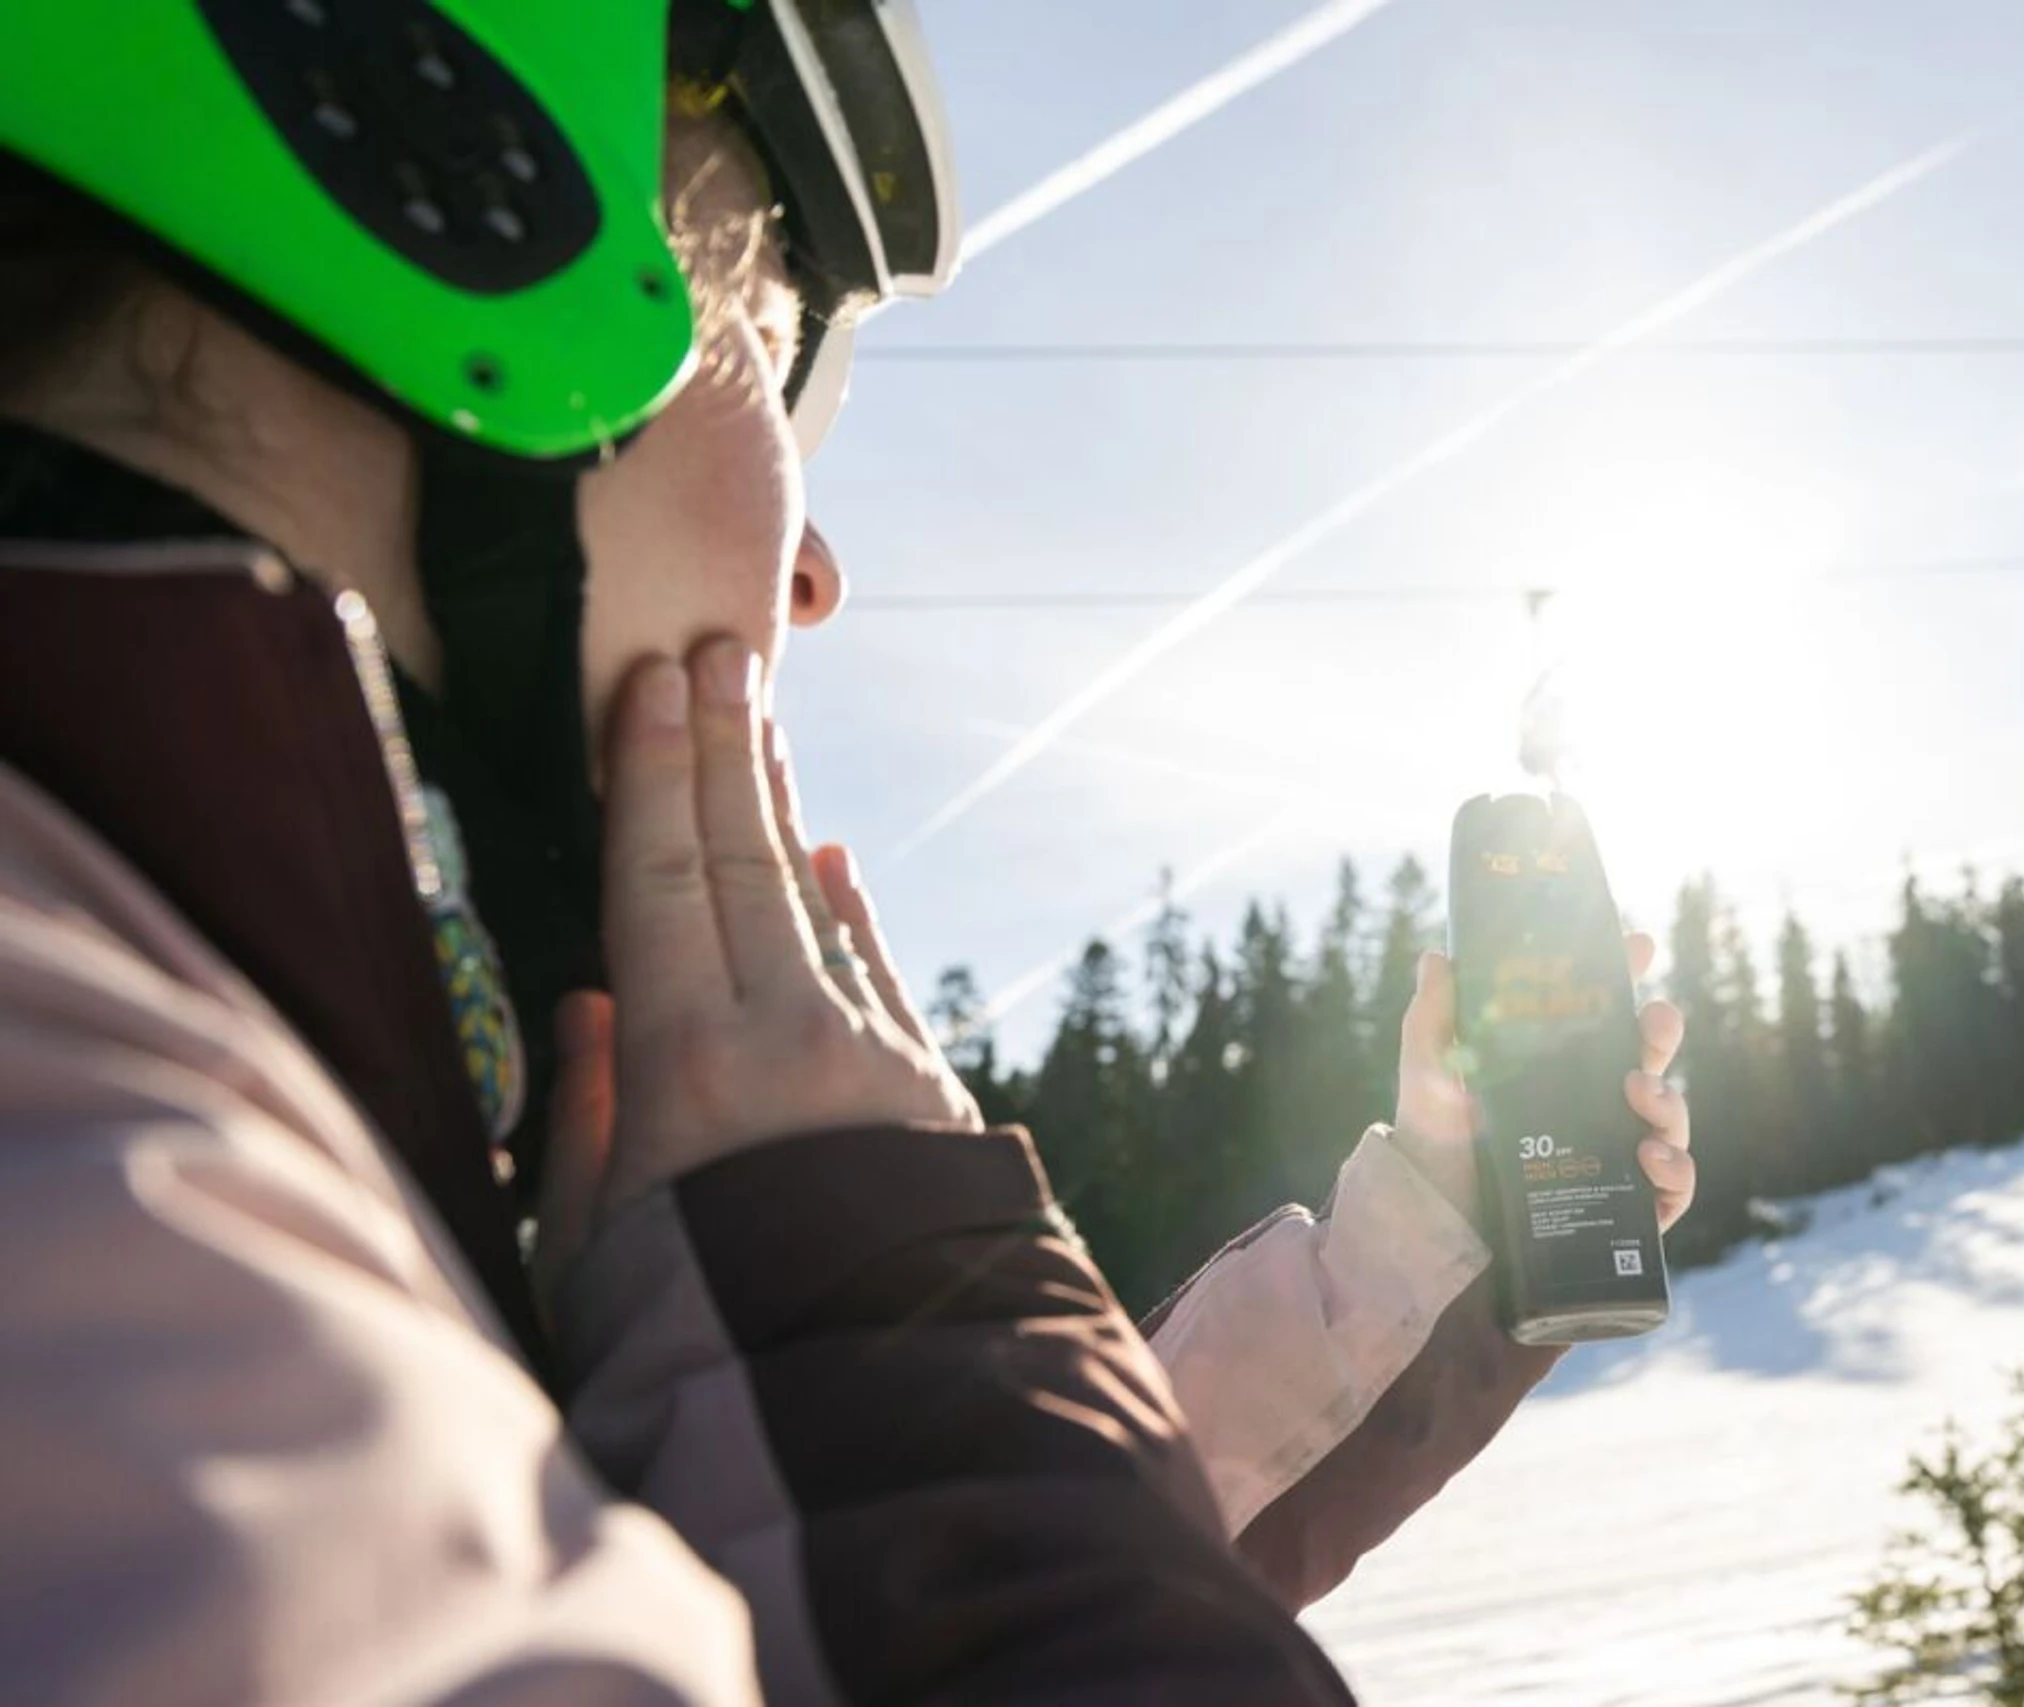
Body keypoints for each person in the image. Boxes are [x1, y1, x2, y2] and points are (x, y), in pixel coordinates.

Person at [0, 1, 1693, 1699]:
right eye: (765, 330)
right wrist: (866, 1321)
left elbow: (833, 1573)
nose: (816, 572)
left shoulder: (206, 1115)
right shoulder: (86, 1168)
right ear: (437, 193)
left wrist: (1431, 1252)